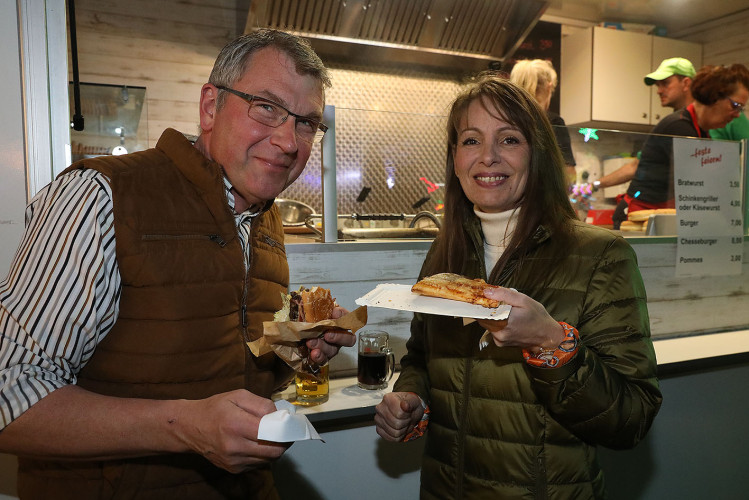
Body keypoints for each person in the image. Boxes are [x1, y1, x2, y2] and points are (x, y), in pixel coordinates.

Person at [0, 29, 355, 499]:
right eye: (266, 107)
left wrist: (299, 351)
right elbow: (9, 398)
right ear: (210, 107)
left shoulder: (263, 218)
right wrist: (186, 427)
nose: (289, 140)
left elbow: (222, 366)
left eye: (307, 123)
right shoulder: (97, 196)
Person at [374, 74, 662, 499]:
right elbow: (421, 356)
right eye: (470, 141)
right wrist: (411, 398)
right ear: (454, 157)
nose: (487, 157)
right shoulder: (445, 252)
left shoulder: (601, 255)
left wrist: (551, 341)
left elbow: (631, 419)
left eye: (508, 139)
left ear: (538, 154)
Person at [612, 63, 749, 228]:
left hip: (660, 214)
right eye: (735, 106)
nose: (737, 115)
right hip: (638, 217)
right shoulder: (679, 127)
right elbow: (701, 188)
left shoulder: (701, 130)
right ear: (714, 97)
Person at [596, 57, 696, 193]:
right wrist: (593, 185)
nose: (659, 91)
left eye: (665, 83)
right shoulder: (672, 123)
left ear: (686, 83)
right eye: (658, 85)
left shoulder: (684, 123)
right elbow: (636, 166)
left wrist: (593, 185)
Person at [510, 59, 577, 184]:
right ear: (549, 86)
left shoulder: (505, 119)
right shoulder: (552, 122)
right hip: (539, 201)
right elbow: (569, 178)